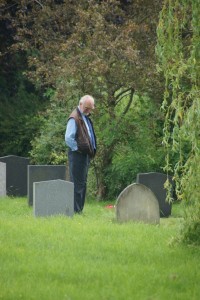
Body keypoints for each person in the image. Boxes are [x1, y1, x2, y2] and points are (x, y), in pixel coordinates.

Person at [65, 95, 97, 213]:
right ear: (80, 104)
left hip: (84, 156)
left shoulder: (84, 117)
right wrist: (77, 149)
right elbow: (68, 138)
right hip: (77, 155)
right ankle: (76, 211)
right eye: (87, 108)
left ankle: (79, 210)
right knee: (77, 185)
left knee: (82, 183)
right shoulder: (74, 118)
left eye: (90, 108)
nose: (89, 111)